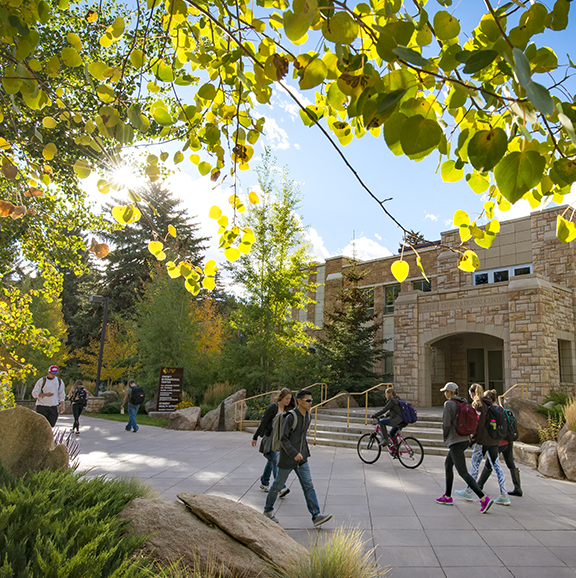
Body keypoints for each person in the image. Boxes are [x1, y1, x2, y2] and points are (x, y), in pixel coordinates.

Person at [263, 389, 332, 527]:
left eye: (311, 400)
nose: (310, 403)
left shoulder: (308, 416)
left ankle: (316, 515)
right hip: (288, 458)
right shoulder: (291, 417)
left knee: (308, 486)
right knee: (277, 485)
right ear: (299, 401)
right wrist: (294, 453)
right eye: (308, 400)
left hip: (302, 459)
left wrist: (304, 453)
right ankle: (268, 511)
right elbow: (283, 439)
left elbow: (302, 437)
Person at [436, 382, 493, 513]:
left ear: (450, 392)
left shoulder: (449, 404)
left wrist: (446, 438)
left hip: (455, 440)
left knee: (463, 472)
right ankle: (447, 496)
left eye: (446, 391)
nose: (445, 393)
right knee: (448, 464)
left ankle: (484, 499)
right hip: (464, 439)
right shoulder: (464, 402)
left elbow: (446, 424)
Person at [454, 384, 510, 506]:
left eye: (470, 393)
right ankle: (504, 495)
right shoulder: (489, 403)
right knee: (497, 466)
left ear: (472, 393)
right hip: (494, 440)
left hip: (482, 441)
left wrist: (473, 440)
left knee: (475, 464)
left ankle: (469, 490)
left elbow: (479, 425)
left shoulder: (479, 405)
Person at [474, 389, 522, 497]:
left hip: (498, 442)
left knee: (489, 464)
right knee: (511, 464)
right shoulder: (502, 409)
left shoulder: (492, 410)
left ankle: (479, 485)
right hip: (508, 441)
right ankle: (518, 488)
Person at [251, 387, 293, 497]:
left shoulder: (287, 410)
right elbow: (264, 422)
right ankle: (281, 487)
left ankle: (264, 482)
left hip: (281, 440)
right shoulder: (272, 408)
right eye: (286, 399)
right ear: (281, 397)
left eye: (289, 399)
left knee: (271, 461)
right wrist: (255, 437)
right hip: (271, 439)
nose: (288, 401)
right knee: (276, 462)